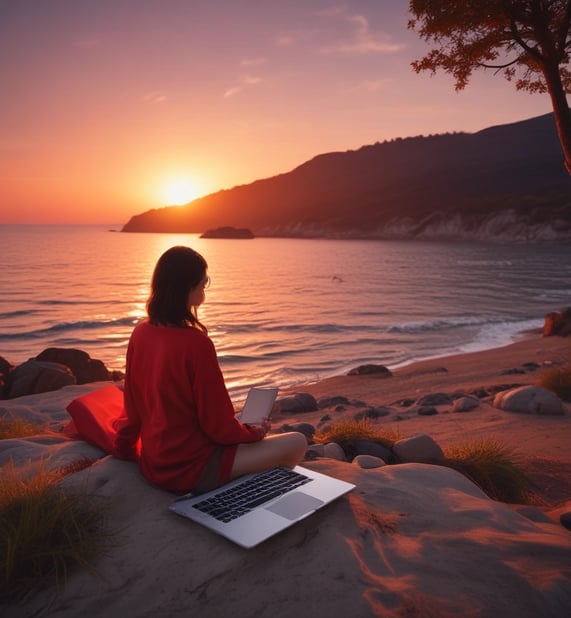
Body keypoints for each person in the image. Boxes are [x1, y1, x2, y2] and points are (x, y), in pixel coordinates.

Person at [114, 245, 307, 494]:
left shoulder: (141, 331)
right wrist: (255, 432)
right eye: (203, 284)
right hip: (193, 468)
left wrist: (124, 446)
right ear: (186, 287)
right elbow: (218, 427)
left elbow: (133, 402)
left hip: (155, 463)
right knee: (297, 442)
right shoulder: (196, 344)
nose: (204, 292)